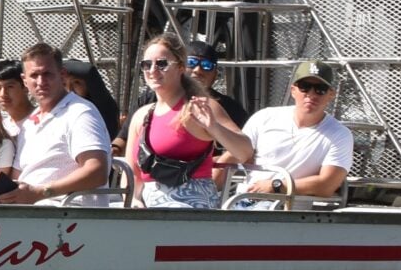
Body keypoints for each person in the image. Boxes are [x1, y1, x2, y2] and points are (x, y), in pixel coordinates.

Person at [122, 33, 243, 210]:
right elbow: (132, 171)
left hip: (190, 208)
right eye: (147, 65)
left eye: (162, 64)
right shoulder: (142, 115)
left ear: (180, 67)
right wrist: (133, 199)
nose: (153, 70)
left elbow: (244, 151)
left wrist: (214, 128)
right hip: (147, 208)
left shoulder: (200, 106)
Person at [231, 61, 354, 201]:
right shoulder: (264, 117)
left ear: (331, 94)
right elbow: (234, 155)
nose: (311, 94)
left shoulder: (340, 134)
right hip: (244, 200)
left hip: (290, 210)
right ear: (293, 90)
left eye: (320, 89)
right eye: (305, 87)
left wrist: (276, 186)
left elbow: (327, 185)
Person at [7, 42, 112, 204]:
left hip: (67, 213)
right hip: (31, 212)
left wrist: (41, 192)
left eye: (47, 74)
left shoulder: (80, 113)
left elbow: (97, 171)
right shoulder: (29, 122)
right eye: (34, 75)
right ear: (24, 80)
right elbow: (17, 177)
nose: (41, 81)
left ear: (62, 75)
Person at [184, 38, 251, 129]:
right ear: (179, 67)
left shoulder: (230, 109)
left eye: (207, 65)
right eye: (191, 62)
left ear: (215, 75)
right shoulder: (164, 97)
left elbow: (245, 141)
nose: (198, 70)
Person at [65, 57, 123, 140]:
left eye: (76, 83)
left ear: (88, 86)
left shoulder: (98, 112)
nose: (69, 89)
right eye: (63, 84)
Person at [0, 60, 29, 130]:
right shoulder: (0, 128)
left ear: (26, 86)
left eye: (10, 87)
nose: (3, 94)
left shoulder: (43, 122)